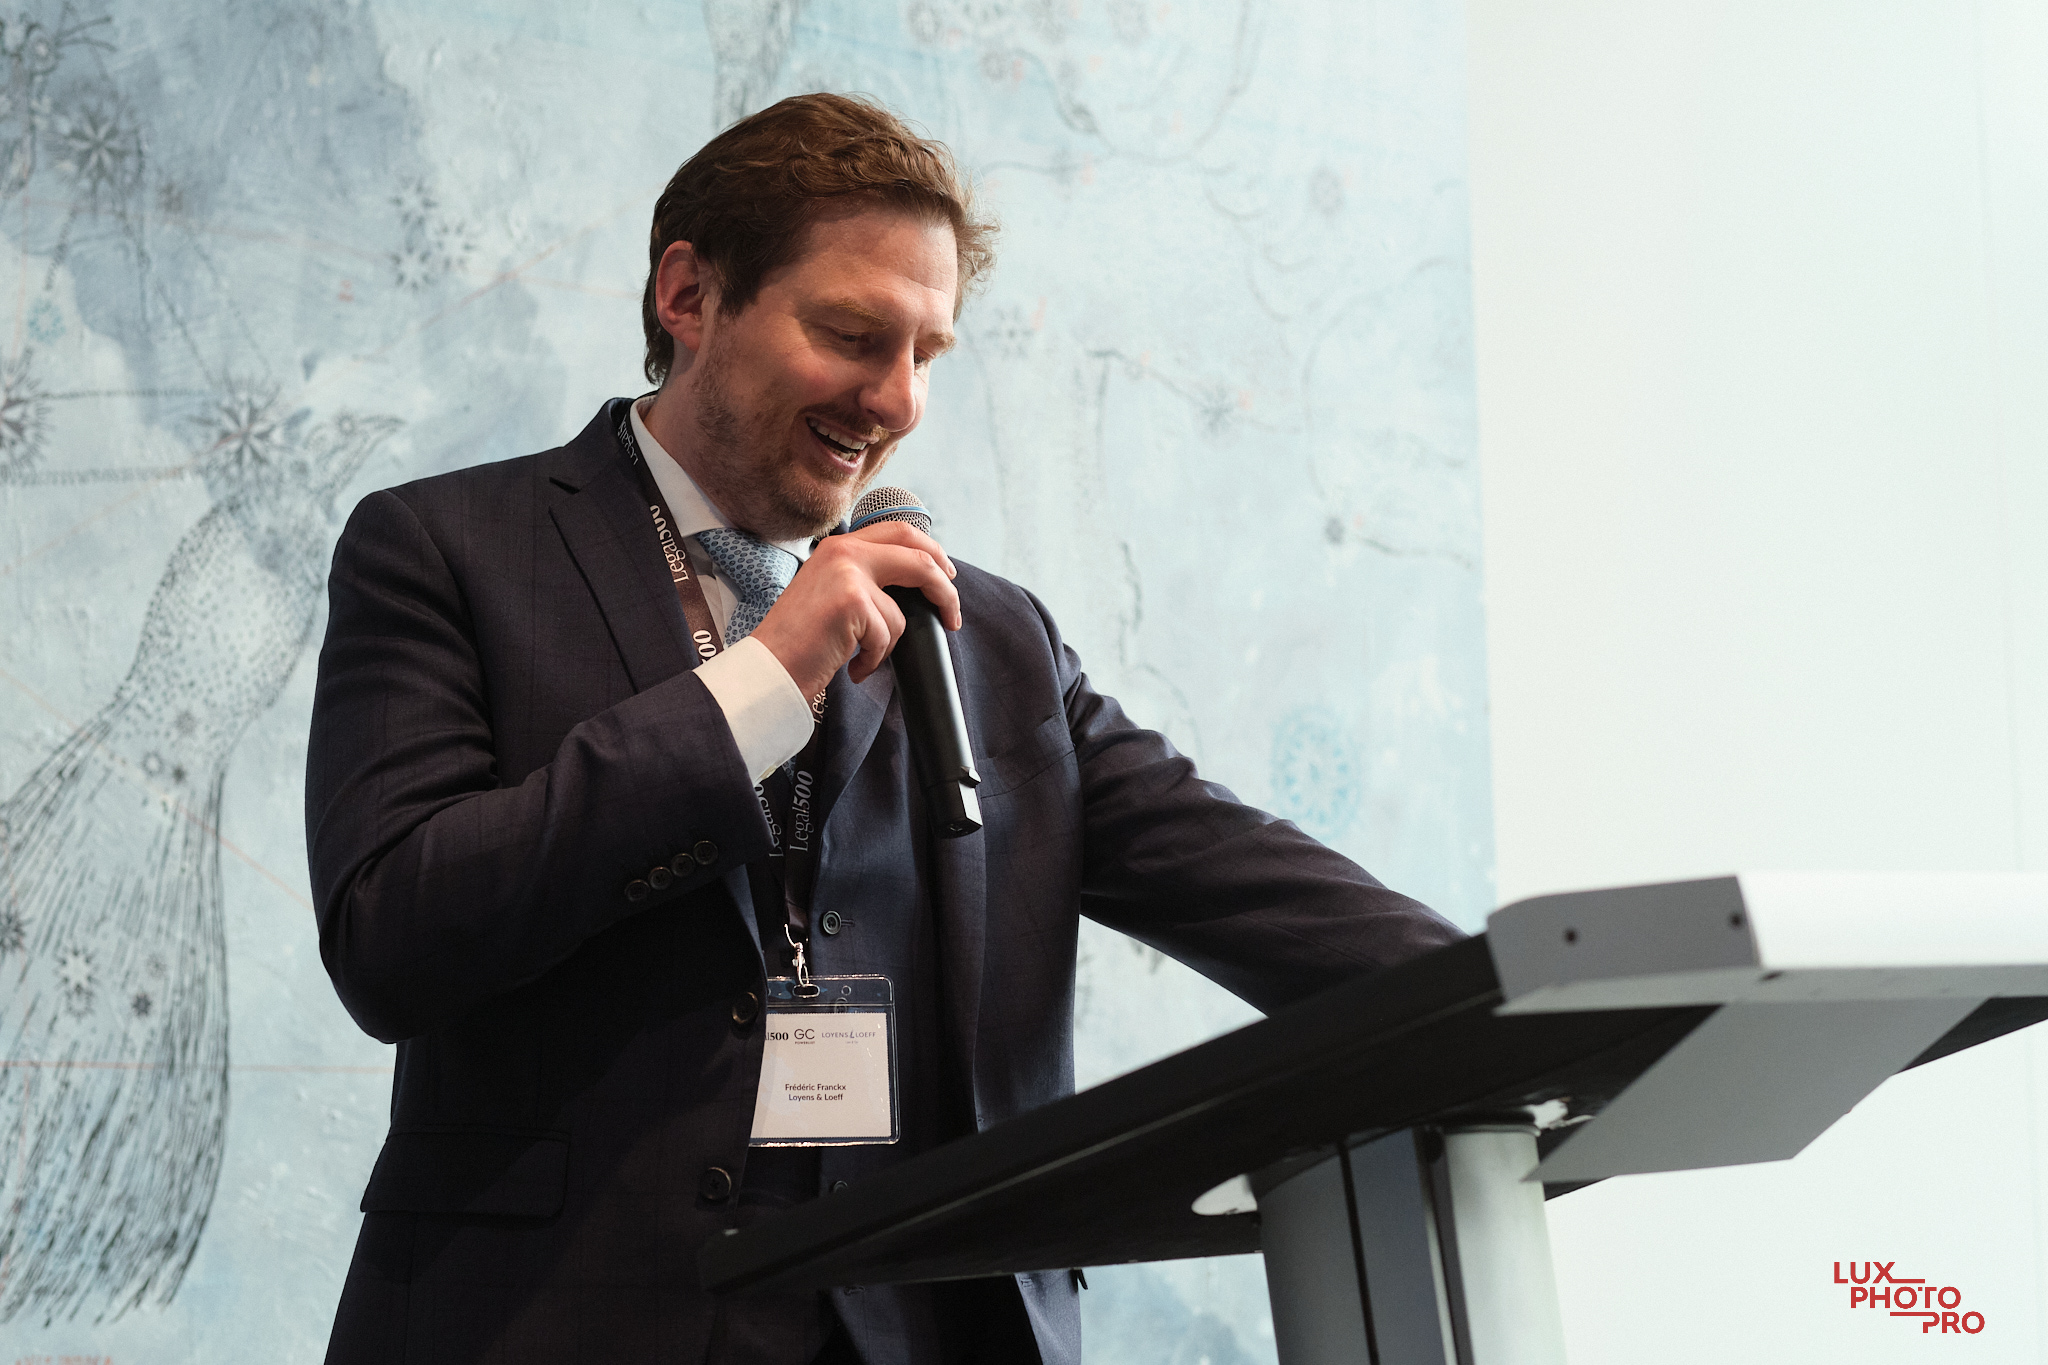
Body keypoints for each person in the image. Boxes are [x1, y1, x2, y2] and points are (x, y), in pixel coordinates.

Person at [304, 92, 1461, 1365]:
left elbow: (1250, 886)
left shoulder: (986, 639)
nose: (897, 399)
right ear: (688, 297)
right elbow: (392, 937)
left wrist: (1527, 1004)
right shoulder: (444, 551)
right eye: (853, 335)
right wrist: (759, 685)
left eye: (927, 353)